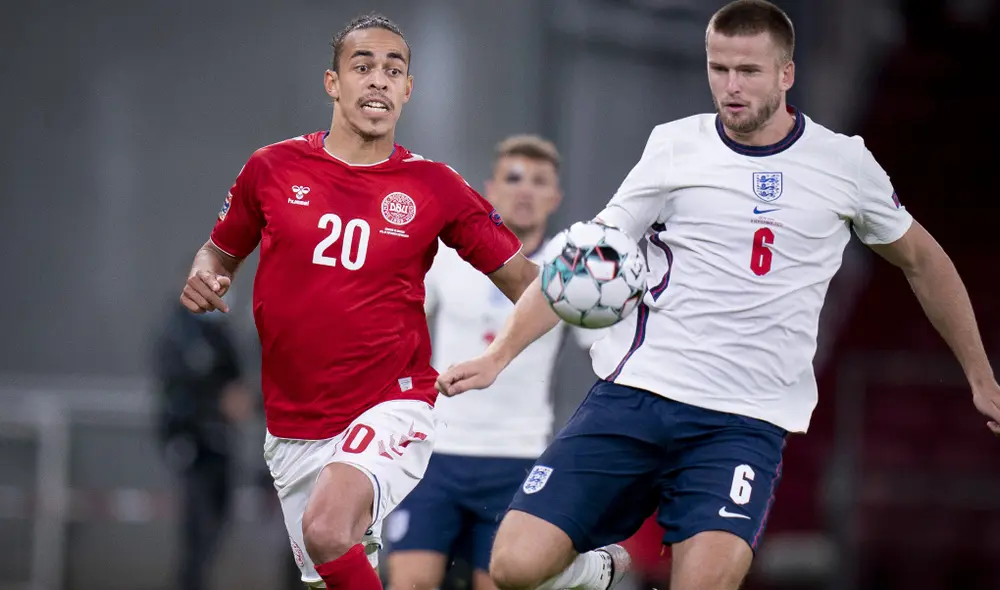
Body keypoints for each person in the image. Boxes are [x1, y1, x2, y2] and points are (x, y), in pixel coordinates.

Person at [435, 1, 1000, 590]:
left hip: (742, 424)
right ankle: (600, 572)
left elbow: (924, 261)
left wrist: (980, 377)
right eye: (719, 68)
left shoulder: (844, 165)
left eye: (748, 71)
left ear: (786, 73)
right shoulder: (674, 146)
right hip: (636, 397)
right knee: (512, 567)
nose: (731, 87)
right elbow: (582, 265)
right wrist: (497, 356)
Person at [178, 13, 542, 590]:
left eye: (393, 70)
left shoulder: (435, 186)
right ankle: (578, 573)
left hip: (391, 403)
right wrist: (206, 274)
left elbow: (533, 285)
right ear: (333, 82)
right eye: (363, 66)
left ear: (408, 89)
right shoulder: (271, 168)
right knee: (334, 569)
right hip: (293, 428)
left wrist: (498, 357)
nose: (378, 80)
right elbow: (218, 254)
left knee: (326, 530)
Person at [385, 135, 613, 590]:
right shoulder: (448, 254)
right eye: (513, 178)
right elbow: (395, 326)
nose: (524, 190)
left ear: (555, 197)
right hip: (434, 450)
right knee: (409, 582)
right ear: (490, 190)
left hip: (518, 456)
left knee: (501, 583)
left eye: (538, 181)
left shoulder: (569, 268)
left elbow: (608, 353)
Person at [152, 298, 254, 590]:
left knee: (217, 526)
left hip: (221, 444)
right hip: (193, 446)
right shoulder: (178, 332)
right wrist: (217, 403)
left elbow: (235, 379)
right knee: (197, 530)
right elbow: (177, 390)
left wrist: (237, 400)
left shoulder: (220, 333)